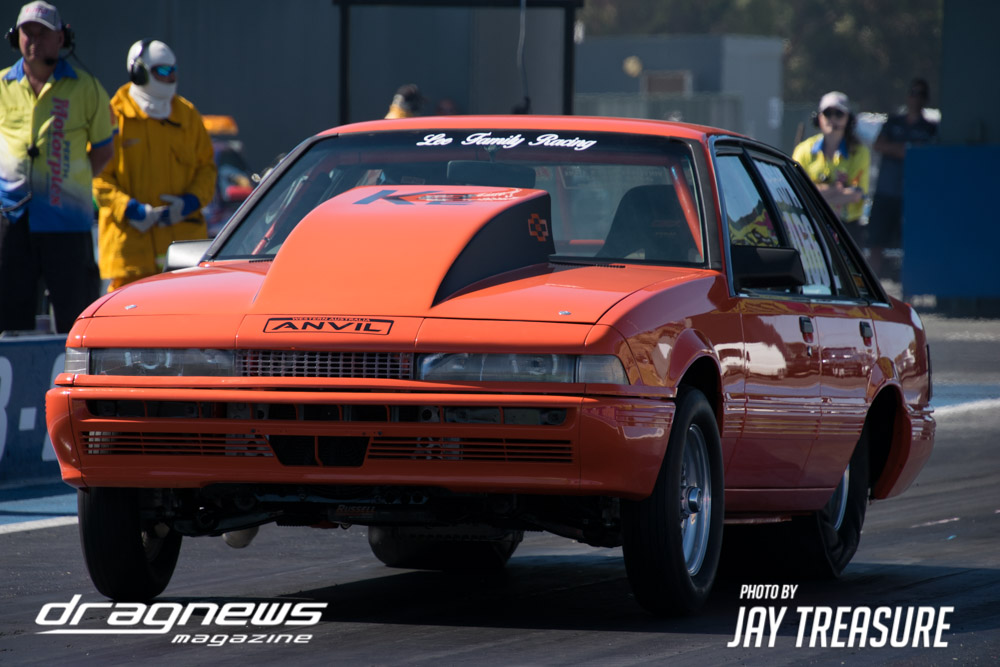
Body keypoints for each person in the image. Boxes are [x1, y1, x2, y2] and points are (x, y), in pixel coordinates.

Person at [0, 1, 113, 333]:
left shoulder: (87, 87)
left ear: (61, 38)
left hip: (67, 223)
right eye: (28, 33)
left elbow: (104, 150)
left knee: (75, 318)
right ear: (15, 37)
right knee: (9, 319)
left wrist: (69, 184)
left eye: (43, 33)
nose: (34, 40)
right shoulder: (3, 84)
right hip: (11, 221)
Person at [93, 39, 216, 291]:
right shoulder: (114, 116)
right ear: (139, 72)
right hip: (131, 255)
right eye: (163, 71)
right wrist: (130, 209)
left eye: (174, 70)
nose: (171, 77)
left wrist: (189, 203)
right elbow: (98, 176)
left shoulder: (188, 116)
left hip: (183, 254)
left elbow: (207, 169)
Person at [868, 78, 938, 279]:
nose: (915, 98)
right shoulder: (893, 122)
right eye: (913, 93)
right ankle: (871, 283)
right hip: (886, 192)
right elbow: (879, 145)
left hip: (913, 195)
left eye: (920, 94)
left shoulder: (929, 128)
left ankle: (911, 286)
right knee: (876, 244)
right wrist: (908, 149)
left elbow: (929, 154)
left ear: (926, 99)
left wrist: (899, 149)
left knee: (912, 245)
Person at [792, 91, 871, 247]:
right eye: (828, 113)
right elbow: (798, 191)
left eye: (839, 114)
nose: (833, 119)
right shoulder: (803, 150)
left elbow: (856, 194)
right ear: (819, 117)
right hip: (810, 225)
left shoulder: (859, 152)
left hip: (847, 229)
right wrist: (837, 189)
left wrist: (815, 192)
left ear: (849, 119)